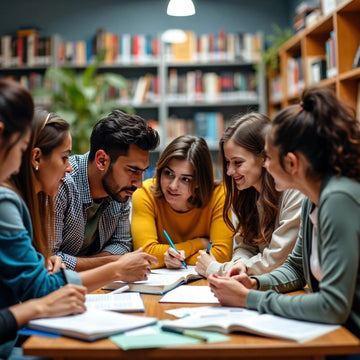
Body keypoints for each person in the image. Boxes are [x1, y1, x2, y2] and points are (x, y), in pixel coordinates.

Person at [0, 89, 157, 357]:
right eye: (64, 157)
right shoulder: (15, 200)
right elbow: (42, 284)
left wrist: (56, 265)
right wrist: (116, 268)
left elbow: (122, 244)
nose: (69, 166)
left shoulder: (119, 189)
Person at [208, 86, 360, 347]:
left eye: (269, 157)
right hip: (336, 334)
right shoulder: (312, 200)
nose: (265, 165)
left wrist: (248, 299)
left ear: (292, 163)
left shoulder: (338, 200)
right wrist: (254, 283)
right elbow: (295, 269)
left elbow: (334, 305)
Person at [196, 113, 303, 277]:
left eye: (237, 162)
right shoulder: (247, 193)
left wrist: (216, 269)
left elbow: (276, 260)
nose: (229, 171)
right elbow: (244, 247)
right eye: (227, 162)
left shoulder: (294, 192)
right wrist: (239, 264)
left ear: (264, 158)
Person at [54, 110, 160, 271]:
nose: (139, 184)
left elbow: (122, 244)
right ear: (102, 160)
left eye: (142, 172)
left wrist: (87, 265)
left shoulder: (120, 191)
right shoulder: (61, 185)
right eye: (132, 171)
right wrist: (114, 263)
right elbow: (51, 259)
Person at [131, 135, 233, 269]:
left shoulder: (219, 195)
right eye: (168, 173)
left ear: (199, 182)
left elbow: (221, 256)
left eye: (185, 179)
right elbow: (145, 254)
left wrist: (169, 256)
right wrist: (199, 243)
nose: (173, 186)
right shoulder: (144, 193)